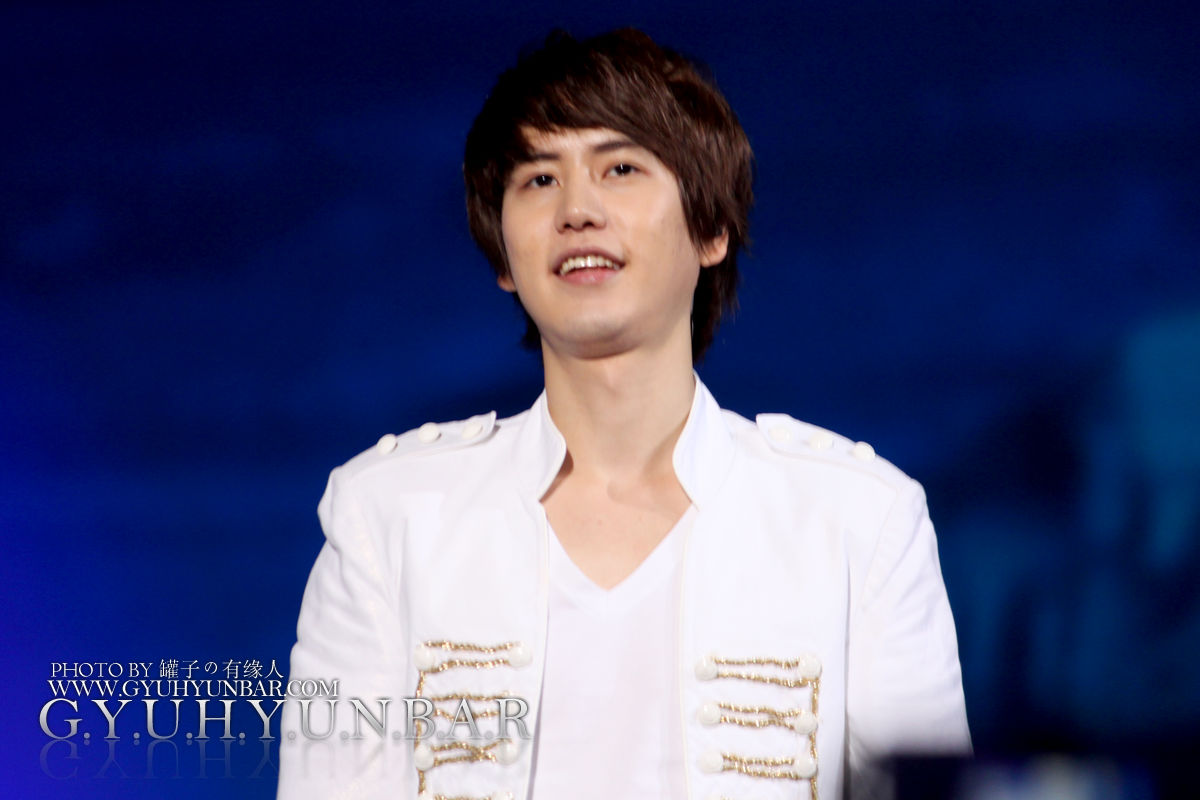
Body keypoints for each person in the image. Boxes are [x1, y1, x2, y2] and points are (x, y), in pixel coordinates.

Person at [278, 27, 970, 800]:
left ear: (711, 230)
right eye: (539, 179)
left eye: (620, 168)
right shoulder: (388, 517)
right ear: (503, 255)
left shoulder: (859, 523)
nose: (577, 209)